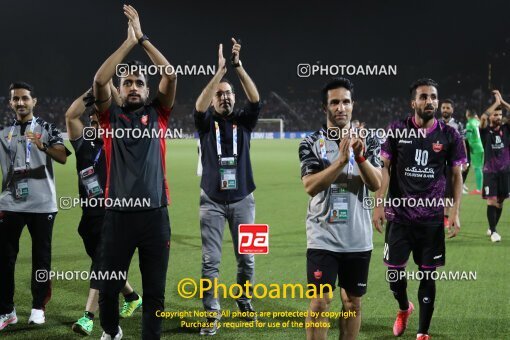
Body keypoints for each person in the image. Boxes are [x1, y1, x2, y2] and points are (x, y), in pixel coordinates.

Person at [92, 5, 176, 340]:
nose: (133, 87)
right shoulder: (108, 118)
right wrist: (127, 44)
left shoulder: (159, 114)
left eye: (139, 82)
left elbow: (170, 74)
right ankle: (111, 331)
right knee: (109, 286)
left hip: (155, 216)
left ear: (146, 89)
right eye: (127, 82)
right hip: (118, 216)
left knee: (155, 290)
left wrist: (142, 38)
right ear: (121, 89)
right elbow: (100, 80)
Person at [372, 78, 466, 340]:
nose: (430, 101)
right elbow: (385, 168)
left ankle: (423, 332)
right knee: (394, 275)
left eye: (434, 96)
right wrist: (378, 204)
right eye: (424, 97)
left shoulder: (450, 134)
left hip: (431, 219)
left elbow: (457, 174)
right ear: (413, 102)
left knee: (428, 275)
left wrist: (454, 211)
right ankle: (404, 308)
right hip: (400, 217)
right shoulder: (396, 129)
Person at [299, 78, 382, 340]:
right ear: (325, 108)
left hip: (358, 239)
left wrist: (359, 157)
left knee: (352, 304)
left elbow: (376, 182)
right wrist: (340, 161)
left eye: (346, 101)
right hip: (323, 237)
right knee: (319, 303)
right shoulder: (311, 142)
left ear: (353, 105)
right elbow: (310, 186)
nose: (341, 107)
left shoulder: (368, 140)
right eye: (334, 102)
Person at [194, 39, 260, 336]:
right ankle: (211, 311)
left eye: (229, 93)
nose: (225, 97)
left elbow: (256, 100)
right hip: (211, 201)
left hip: (245, 199)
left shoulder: (244, 121)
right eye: (220, 94)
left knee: (248, 258)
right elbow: (198, 105)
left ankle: (244, 299)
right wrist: (219, 74)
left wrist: (237, 67)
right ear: (213, 100)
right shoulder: (206, 122)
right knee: (211, 260)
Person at [65, 85, 142, 336]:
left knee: (101, 265)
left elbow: (123, 113)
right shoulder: (83, 144)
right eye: (94, 118)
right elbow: (70, 116)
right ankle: (131, 296)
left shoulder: (118, 143)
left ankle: (88, 316)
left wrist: (106, 85)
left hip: (114, 216)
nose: (97, 122)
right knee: (106, 266)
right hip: (88, 219)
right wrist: (92, 91)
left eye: (103, 118)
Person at [0, 82, 69, 330]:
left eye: (25, 98)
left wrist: (42, 146)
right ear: (10, 103)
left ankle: (38, 307)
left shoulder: (47, 128)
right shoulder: (3, 132)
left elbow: (62, 156)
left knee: (41, 259)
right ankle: (7, 311)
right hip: (10, 203)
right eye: (15, 99)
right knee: (4, 259)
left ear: (34, 101)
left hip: (42, 205)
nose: (20, 102)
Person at [479, 90, 510, 242]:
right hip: (490, 171)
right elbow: (483, 117)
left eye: (499, 114)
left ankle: (492, 227)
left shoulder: (506, 129)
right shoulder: (485, 131)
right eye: (495, 114)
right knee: (491, 200)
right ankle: (494, 232)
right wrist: (496, 103)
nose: (498, 117)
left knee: (500, 201)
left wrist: (502, 102)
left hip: (505, 172)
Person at [440, 99, 467, 227]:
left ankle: (449, 216)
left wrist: (464, 160)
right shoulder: (434, 124)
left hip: (452, 162)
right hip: (437, 162)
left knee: (450, 191)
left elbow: (462, 143)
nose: (445, 110)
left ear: (452, 110)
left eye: (447, 108)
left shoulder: (458, 125)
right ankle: (441, 216)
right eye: (443, 107)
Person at [465, 110, 484, 194]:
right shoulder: (476, 122)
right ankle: (481, 187)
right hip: (480, 146)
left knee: (477, 168)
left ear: (468, 114)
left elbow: (468, 137)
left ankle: (479, 189)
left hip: (474, 147)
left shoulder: (469, 124)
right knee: (479, 167)